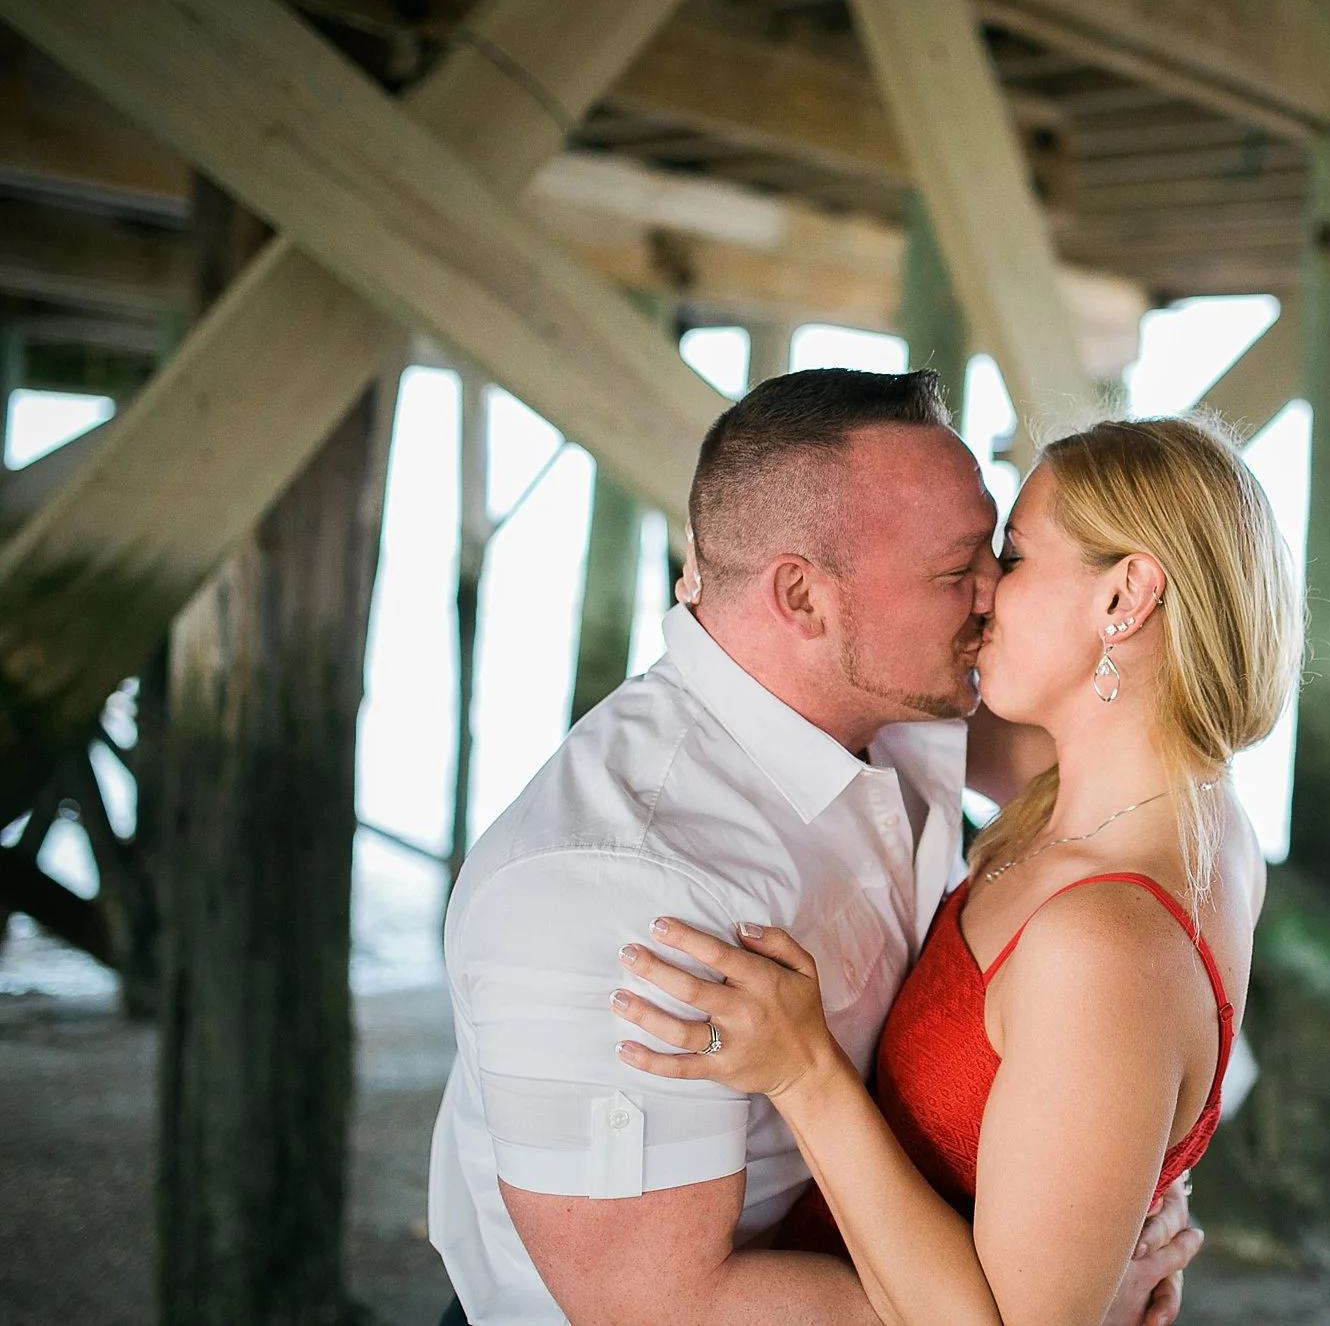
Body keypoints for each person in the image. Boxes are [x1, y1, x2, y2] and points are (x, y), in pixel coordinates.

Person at [427, 369, 1198, 1325]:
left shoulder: (900, 703)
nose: (994, 593)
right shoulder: (611, 885)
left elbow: (1148, 757)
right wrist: (1044, 1303)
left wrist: (1111, 1181)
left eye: (996, 551)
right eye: (959, 568)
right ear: (802, 596)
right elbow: (667, 1309)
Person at [612, 415, 1304, 1325]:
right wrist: (743, 591)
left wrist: (803, 1071)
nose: (981, 595)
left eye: (1012, 558)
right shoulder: (1174, 806)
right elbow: (863, 681)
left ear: (1125, 596)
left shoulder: (1103, 942)